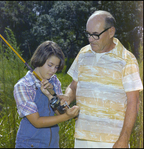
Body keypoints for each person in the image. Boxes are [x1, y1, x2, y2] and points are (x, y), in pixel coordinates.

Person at [59, 10, 143, 148]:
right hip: (82, 138)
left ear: (111, 32)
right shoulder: (83, 53)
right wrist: (67, 97)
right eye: (88, 34)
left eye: (95, 35)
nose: (90, 39)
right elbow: (74, 86)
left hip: (112, 141)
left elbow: (134, 103)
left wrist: (123, 139)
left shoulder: (127, 59)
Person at [13, 41, 80, 148]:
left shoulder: (54, 81)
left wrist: (51, 94)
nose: (53, 71)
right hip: (29, 144)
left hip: (52, 144)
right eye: (50, 65)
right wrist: (67, 116)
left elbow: (59, 112)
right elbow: (37, 122)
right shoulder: (23, 86)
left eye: (56, 67)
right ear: (40, 59)